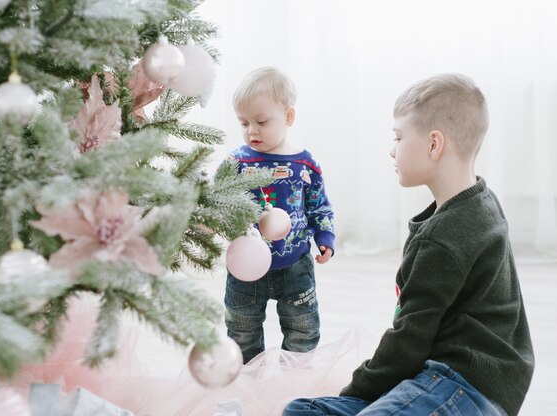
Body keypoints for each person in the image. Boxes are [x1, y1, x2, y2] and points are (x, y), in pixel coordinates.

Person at [283, 73, 534, 416]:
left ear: (434, 144)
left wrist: (358, 391)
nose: (392, 150)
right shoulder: (479, 202)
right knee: (302, 410)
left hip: (467, 386)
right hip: (437, 377)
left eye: (398, 138)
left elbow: (408, 339)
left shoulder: (445, 238)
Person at [225, 67, 335, 364]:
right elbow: (219, 202)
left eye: (261, 121)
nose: (252, 131)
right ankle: (248, 380)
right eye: (244, 123)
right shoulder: (236, 162)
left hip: (295, 263)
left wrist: (325, 236)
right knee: (241, 328)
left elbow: (319, 204)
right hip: (246, 265)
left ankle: (294, 379)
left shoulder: (304, 164)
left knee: (302, 327)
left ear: (288, 117)